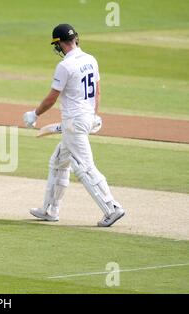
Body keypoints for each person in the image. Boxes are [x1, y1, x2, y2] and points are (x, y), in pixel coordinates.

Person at [23, 24, 125, 227]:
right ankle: (50, 210)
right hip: (85, 118)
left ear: (59, 44)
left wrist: (34, 114)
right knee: (59, 162)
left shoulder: (65, 66)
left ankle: (112, 207)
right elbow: (97, 91)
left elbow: (52, 98)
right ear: (75, 39)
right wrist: (93, 115)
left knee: (85, 167)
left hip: (74, 122)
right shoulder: (90, 59)